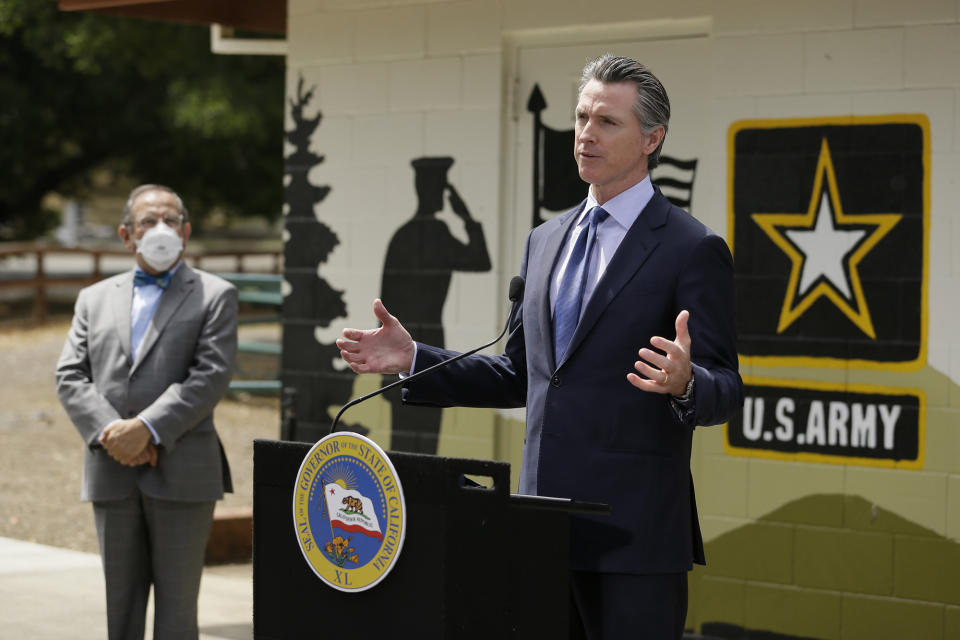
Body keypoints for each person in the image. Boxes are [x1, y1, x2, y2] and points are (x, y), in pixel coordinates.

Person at [338, 54, 743, 639]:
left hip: (635, 541)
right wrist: (414, 359)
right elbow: (519, 374)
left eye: (607, 122)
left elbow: (727, 389)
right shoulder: (545, 240)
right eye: (581, 117)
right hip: (540, 528)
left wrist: (688, 383)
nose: (585, 135)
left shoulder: (691, 247)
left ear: (653, 138)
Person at [56, 184, 238, 640]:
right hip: (111, 468)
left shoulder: (216, 295)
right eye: (147, 221)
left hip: (184, 472)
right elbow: (70, 376)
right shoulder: (93, 298)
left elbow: (210, 376)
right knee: (121, 608)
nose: (161, 229)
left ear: (187, 231)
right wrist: (113, 434)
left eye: (170, 220)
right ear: (126, 235)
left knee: (178, 612)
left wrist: (148, 429)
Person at [380, 156, 491, 453]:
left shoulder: (401, 236)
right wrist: (466, 217)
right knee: (423, 445)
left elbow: (384, 309)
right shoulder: (437, 234)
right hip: (426, 348)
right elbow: (480, 259)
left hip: (401, 352)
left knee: (402, 444)